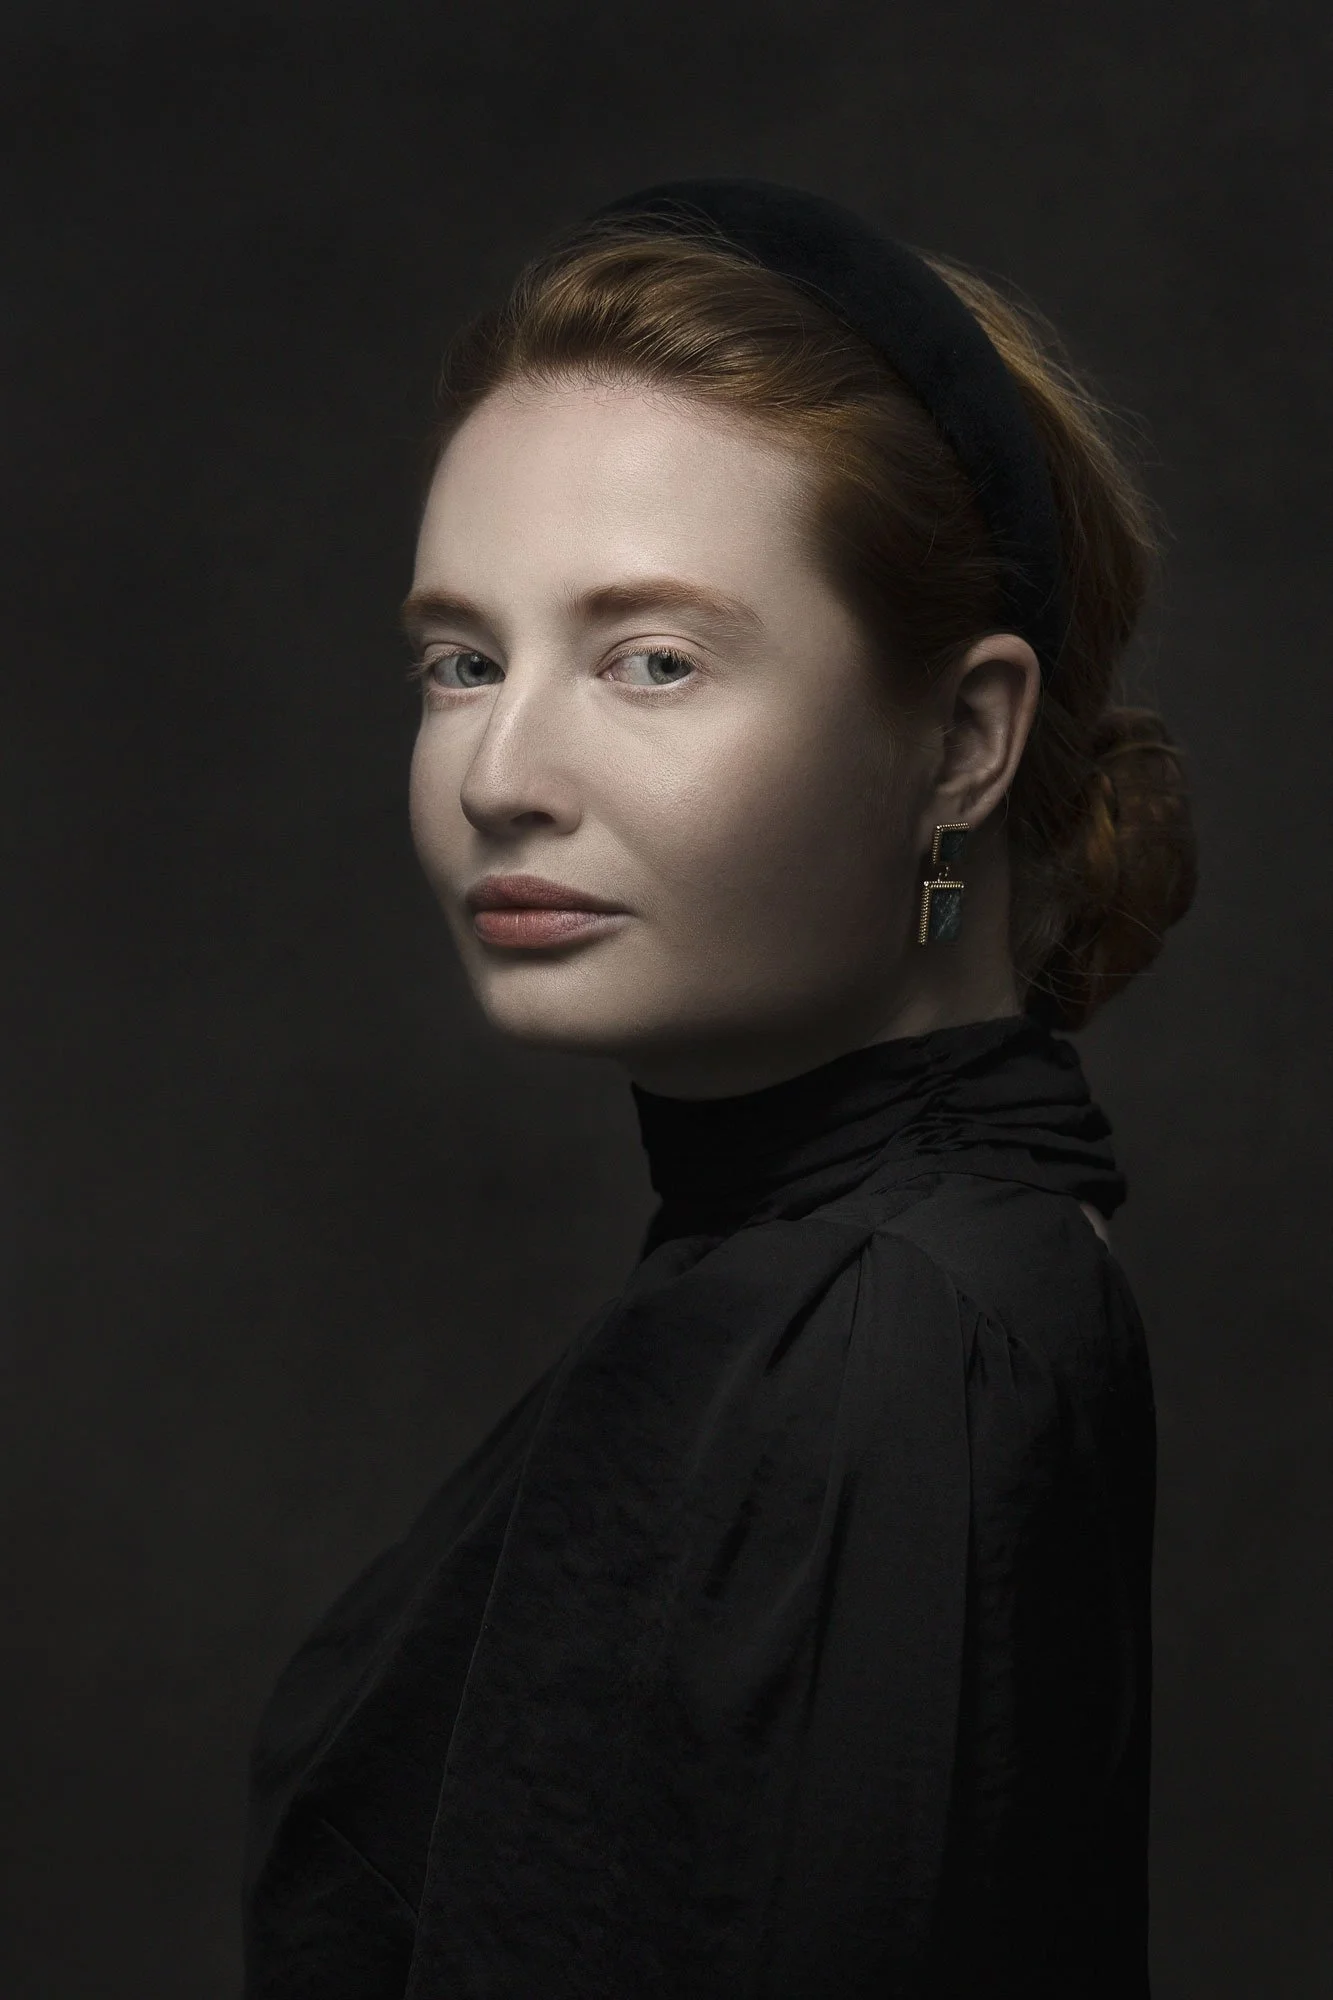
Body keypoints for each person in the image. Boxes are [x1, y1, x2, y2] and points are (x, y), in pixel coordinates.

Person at [241, 179, 1197, 1997]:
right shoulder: (878, 1269)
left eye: (653, 660)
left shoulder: (876, 1332)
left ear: (965, 741)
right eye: (462, 660)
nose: (501, 771)